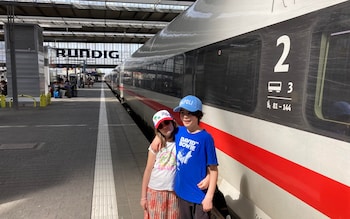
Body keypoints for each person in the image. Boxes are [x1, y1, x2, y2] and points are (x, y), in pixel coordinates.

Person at [151, 95, 219, 219]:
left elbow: (213, 168)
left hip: (199, 196)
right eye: (182, 113)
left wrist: (209, 197)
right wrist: (156, 137)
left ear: (198, 115)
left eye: (190, 113)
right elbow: (165, 130)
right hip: (181, 193)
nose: (185, 117)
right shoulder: (179, 132)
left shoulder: (206, 138)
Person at [141, 110, 179, 219]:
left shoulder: (181, 141)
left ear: (172, 122)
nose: (165, 127)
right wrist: (143, 197)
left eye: (166, 122)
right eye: (161, 126)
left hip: (174, 193)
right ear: (158, 130)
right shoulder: (155, 147)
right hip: (155, 191)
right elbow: (148, 170)